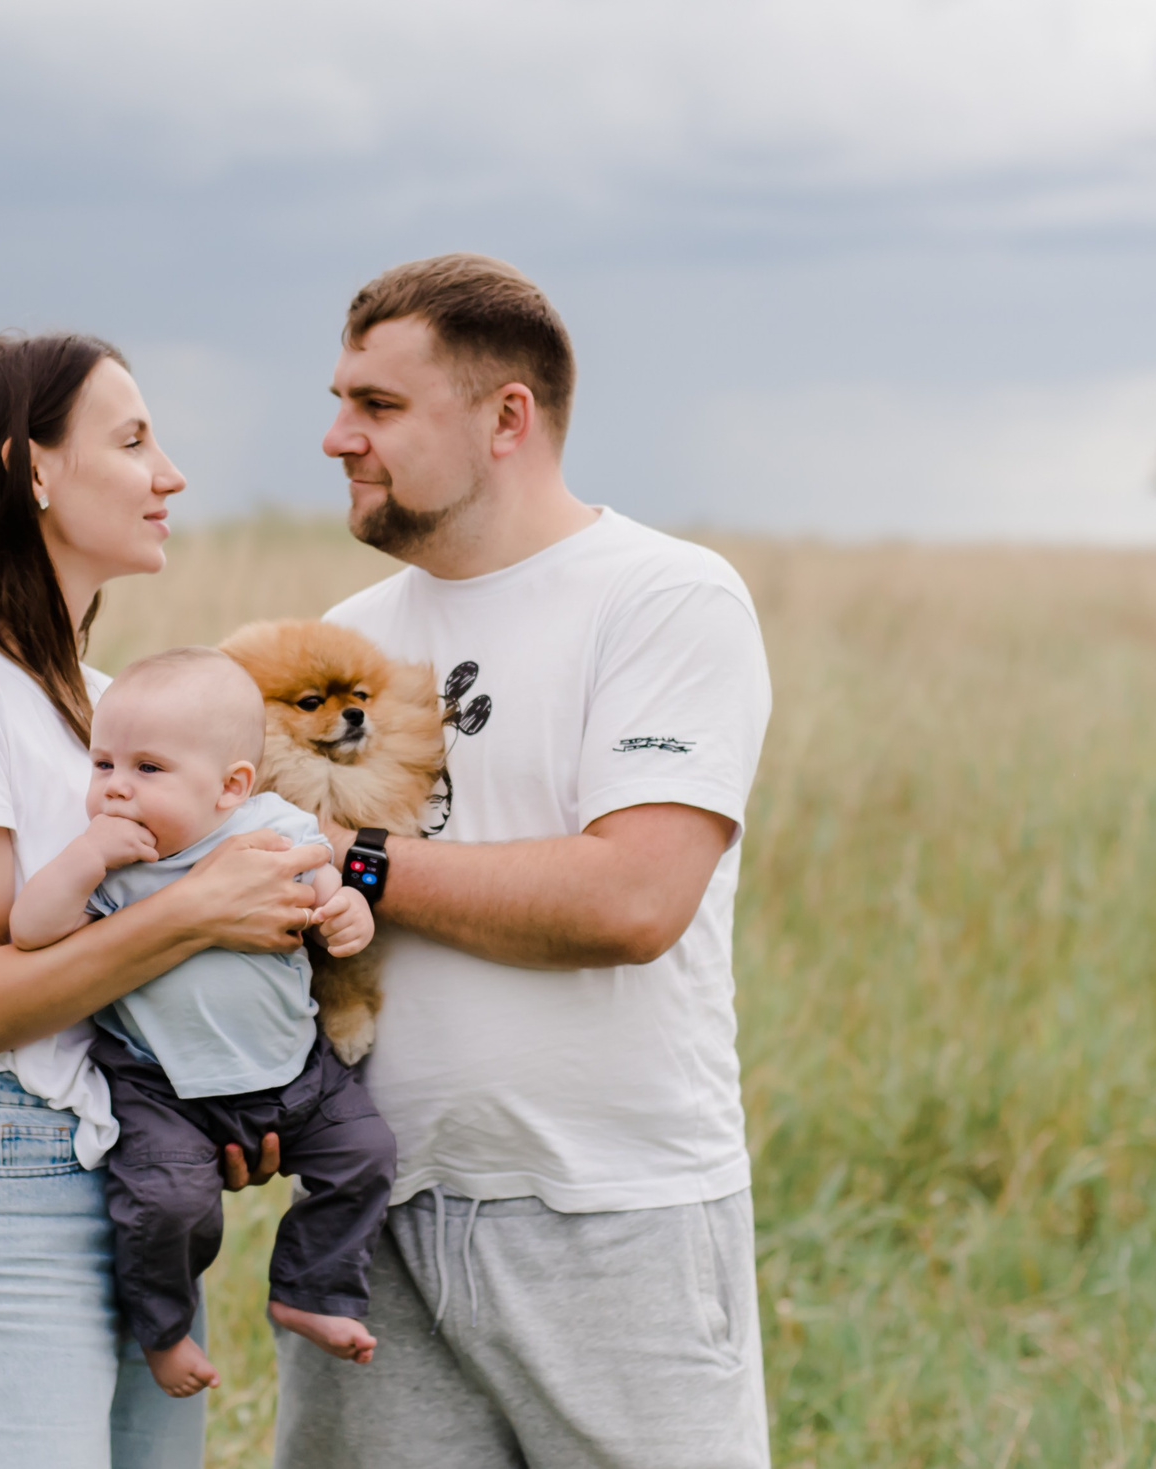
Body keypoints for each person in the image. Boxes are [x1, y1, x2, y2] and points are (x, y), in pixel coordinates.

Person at [268, 255, 776, 1469]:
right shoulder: (350, 638)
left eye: (379, 407)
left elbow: (632, 895)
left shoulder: (663, 598)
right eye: (341, 399)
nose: (338, 436)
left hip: (611, 1213)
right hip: (369, 1223)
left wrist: (353, 858)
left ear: (508, 417)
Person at [0, 332, 359, 1468]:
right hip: (8, 1183)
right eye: (132, 441)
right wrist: (195, 912)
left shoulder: (115, 711)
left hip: (131, 1173)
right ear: (33, 471)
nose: (169, 472)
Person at [11, 646, 395, 1399]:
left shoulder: (272, 824)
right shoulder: (113, 862)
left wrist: (347, 909)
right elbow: (30, 928)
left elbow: (324, 887)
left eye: (148, 769)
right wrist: (87, 858)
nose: (117, 788)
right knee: (166, 1205)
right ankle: (161, 1327)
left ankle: (310, 1287)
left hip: (294, 1068)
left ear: (232, 786)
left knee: (368, 1153)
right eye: (103, 765)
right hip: (162, 1085)